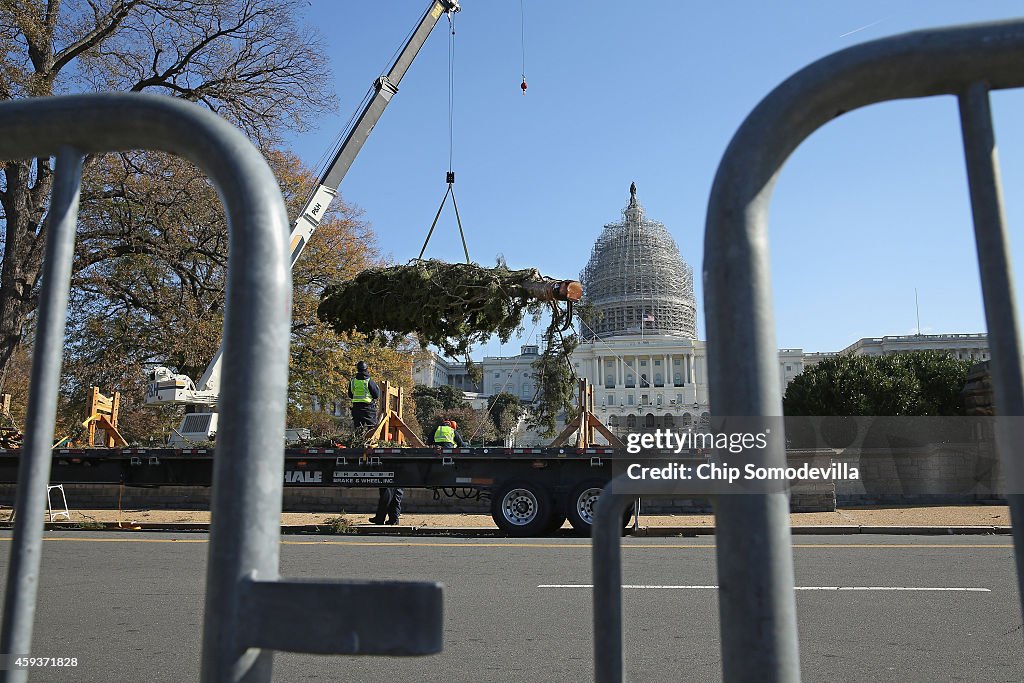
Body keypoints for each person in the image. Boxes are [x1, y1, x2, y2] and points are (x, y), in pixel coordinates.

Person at [349, 362, 399, 525]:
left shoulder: (353, 381)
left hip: (356, 409)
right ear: (366, 370)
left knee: (359, 431)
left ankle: (389, 517)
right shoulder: (368, 380)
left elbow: (350, 394)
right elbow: (377, 395)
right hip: (368, 410)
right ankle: (392, 517)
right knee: (371, 432)